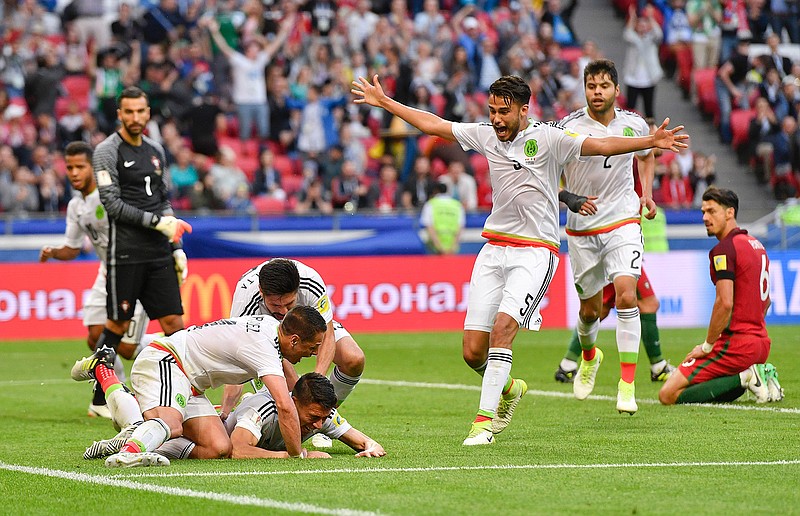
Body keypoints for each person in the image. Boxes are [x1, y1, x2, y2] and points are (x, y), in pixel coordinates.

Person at [351, 73, 688, 445]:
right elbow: (435, 124)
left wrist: (650, 141)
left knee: (503, 330)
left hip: (535, 252)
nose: (496, 119)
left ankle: (483, 424)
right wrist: (385, 103)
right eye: (492, 110)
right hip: (493, 250)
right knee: (471, 352)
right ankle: (510, 388)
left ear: (524, 110)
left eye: (504, 112)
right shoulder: (484, 134)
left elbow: (604, 145)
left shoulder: (549, 138)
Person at [74, 306, 328, 467]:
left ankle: (134, 437)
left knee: (218, 448)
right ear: (294, 340)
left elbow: (296, 390)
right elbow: (285, 404)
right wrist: (298, 456)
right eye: (313, 346)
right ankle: (128, 450)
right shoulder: (264, 347)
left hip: (191, 384)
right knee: (172, 423)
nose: (314, 352)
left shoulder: (272, 332)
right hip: (167, 361)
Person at [558, 59, 664, 415]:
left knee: (626, 295)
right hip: (582, 228)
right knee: (589, 311)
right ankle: (589, 357)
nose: (597, 92)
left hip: (623, 220)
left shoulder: (634, 125)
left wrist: (646, 193)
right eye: (591, 86)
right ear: (584, 89)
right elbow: (545, 173)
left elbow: (647, 157)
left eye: (604, 86)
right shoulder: (568, 128)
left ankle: (627, 385)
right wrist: (570, 198)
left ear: (616, 90)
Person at [39, 141, 158, 420]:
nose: (74, 172)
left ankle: (173, 345)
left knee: (127, 347)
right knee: (95, 335)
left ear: (93, 167)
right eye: (69, 167)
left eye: (80, 166)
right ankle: (111, 393)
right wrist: (54, 252)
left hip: (133, 272)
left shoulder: (113, 197)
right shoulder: (76, 206)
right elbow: (72, 248)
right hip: (107, 272)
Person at [90, 86, 192, 356]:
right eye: (129, 112)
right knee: (118, 324)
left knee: (175, 324)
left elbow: (164, 201)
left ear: (148, 113)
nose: (135, 118)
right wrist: (158, 223)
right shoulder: (106, 151)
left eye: (140, 112)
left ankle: (186, 391)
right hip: (126, 253)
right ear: (119, 114)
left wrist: (176, 248)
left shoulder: (156, 150)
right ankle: (101, 395)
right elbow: (112, 205)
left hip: (159, 253)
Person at [659, 187, 783, 405]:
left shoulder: (725, 249)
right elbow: (767, 302)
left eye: (712, 211)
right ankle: (756, 374)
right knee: (708, 385)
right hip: (761, 343)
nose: (705, 217)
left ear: (729, 213)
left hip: (736, 346)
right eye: (703, 211)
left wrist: (707, 346)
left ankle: (748, 376)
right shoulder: (757, 246)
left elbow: (724, 303)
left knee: (668, 394)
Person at [226, 258, 366, 446]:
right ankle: (262, 405)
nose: (283, 312)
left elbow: (328, 333)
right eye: (276, 306)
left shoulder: (311, 282)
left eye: (290, 304)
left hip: (307, 325)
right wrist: (226, 412)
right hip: (264, 337)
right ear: (261, 292)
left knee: (353, 359)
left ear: (297, 290)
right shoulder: (245, 300)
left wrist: (315, 387)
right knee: (290, 384)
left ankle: (320, 418)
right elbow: (238, 355)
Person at [154, 373, 385, 460]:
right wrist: (296, 455)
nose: (318, 425)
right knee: (216, 450)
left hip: (228, 428)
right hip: (202, 436)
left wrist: (370, 446)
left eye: (323, 418)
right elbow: (239, 449)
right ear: (293, 403)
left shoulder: (320, 415)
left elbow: (364, 441)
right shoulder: (264, 409)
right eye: (314, 416)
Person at [420, 182, 466, 254]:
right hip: (452, 248)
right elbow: (460, 227)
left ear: (435, 191)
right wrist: (453, 246)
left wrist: (439, 247)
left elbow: (429, 226)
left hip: (435, 248)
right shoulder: (457, 205)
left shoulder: (430, 204)